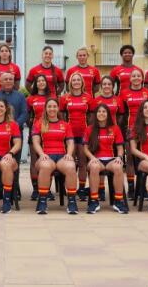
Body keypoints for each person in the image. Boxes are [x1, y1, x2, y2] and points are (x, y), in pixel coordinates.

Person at [32, 98, 78, 215]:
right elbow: (36, 142)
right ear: (45, 109)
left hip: (62, 156)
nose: (52, 109)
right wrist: (41, 154)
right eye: (49, 107)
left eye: (54, 106)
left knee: (71, 166)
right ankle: (42, 201)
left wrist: (69, 154)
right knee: (46, 166)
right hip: (46, 156)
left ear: (58, 108)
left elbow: (70, 142)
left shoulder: (65, 125)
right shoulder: (40, 123)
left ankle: (72, 201)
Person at [83, 104, 126, 214]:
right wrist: (92, 158)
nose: (101, 114)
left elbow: (120, 147)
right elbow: (85, 148)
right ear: (95, 114)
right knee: (94, 167)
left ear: (108, 114)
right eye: (99, 112)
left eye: (104, 112)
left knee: (118, 167)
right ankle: (94, 200)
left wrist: (119, 157)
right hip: (96, 159)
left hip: (111, 159)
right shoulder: (89, 129)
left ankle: (118, 200)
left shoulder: (115, 128)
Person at [118, 68, 148, 198]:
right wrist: (123, 131)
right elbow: (122, 114)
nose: (136, 78)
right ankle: (131, 188)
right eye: (134, 76)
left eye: (139, 75)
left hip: (146, 129)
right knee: (131, 160)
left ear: (142, 78)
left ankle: (142, 187)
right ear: (130, 78)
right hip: (130, 129)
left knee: (143, 158)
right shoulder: (124, 93)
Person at [59, 73, 92, 201]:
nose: (76, 82)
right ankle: (70, 188)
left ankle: (82, 189)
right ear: (70, 82)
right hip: (69, 135)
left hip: (83, 134)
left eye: (79, 80)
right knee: (70, 163)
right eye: (74, 80)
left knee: (83, 163)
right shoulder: (64, 98)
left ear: (82, 82)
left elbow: (91, 117)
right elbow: (61, 116)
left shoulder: (88, 97)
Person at [89, 75, 119, 201]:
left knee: (117, 165)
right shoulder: (95, 101)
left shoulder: (118, 99)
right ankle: (98, 192)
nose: (107, 86)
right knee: (96, 163)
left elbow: (122, 115)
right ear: (101, 87)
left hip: (113, 134)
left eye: (109, 84)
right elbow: (91, 116)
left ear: (113, 87)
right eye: (104, 84)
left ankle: (117, 198)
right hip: (97, 135)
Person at [26, 74, 55, 200]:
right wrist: (32, 126)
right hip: (36, 132)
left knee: (48, 160)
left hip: (50, 132)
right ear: (35, 84)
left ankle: (47, 189)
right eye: (38, 81)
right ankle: (36, 189)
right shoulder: (31, 98)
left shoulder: (52, 97)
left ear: (46, 83)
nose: (41, 83)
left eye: (43, 80)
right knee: (34, 160)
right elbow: (27, 115)